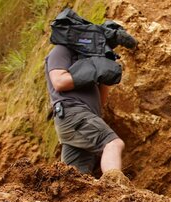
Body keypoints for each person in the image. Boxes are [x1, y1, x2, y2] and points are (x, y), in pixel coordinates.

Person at [45, 30, 127, 177]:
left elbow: (99, 103)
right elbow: (59, 82)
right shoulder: (61, 51)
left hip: (80, 118)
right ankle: (116, 186)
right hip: (73, 113)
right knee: (113, 144)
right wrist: (93, 70)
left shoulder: (87, 61)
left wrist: (103, 75)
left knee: (75, 178)